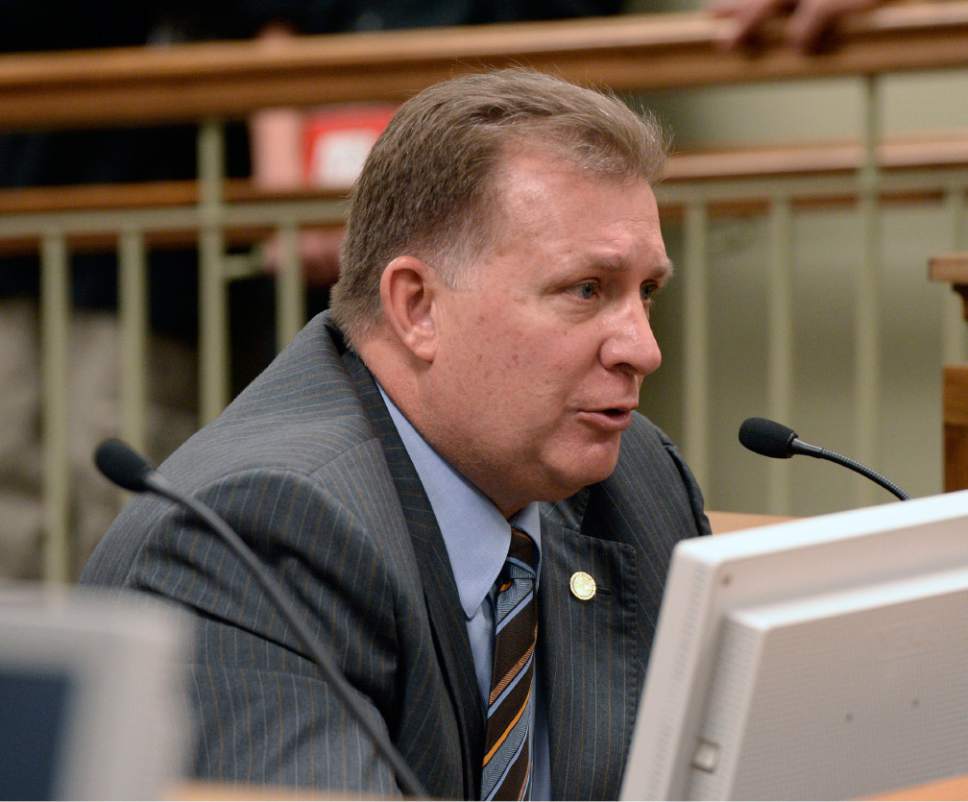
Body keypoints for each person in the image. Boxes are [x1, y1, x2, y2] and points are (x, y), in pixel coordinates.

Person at [81, 68, 710, 799]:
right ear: (417, 307)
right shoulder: (258, 534)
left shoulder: (633, 480)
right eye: (587, 290)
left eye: (647, 292)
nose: (643, 348)